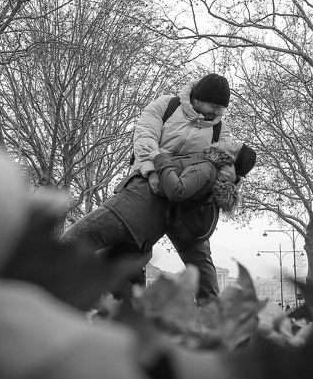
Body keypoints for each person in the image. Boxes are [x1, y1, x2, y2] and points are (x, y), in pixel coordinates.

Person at [59, 140, 255, 297]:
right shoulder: (211, 174)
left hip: (129, 210)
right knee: (122, 285)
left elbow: (177, 190)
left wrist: (160, 159)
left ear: (230, 160)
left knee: (67, 245)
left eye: (235, 146)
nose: (230, 141)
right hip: (147, 230)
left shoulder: (207, 168)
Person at [130, 73, 241, 301]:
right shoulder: (165, 106)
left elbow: (225, 162)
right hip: (151, 187)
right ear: (198, 98)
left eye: (222, 108)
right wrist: (152, 170)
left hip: (188, 201)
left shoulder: (220, 129)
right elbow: (145, 138)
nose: (218, 112)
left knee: (202, 267)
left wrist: (234, 178)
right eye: (214, 105)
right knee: (131, 253)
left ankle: (212, 320)